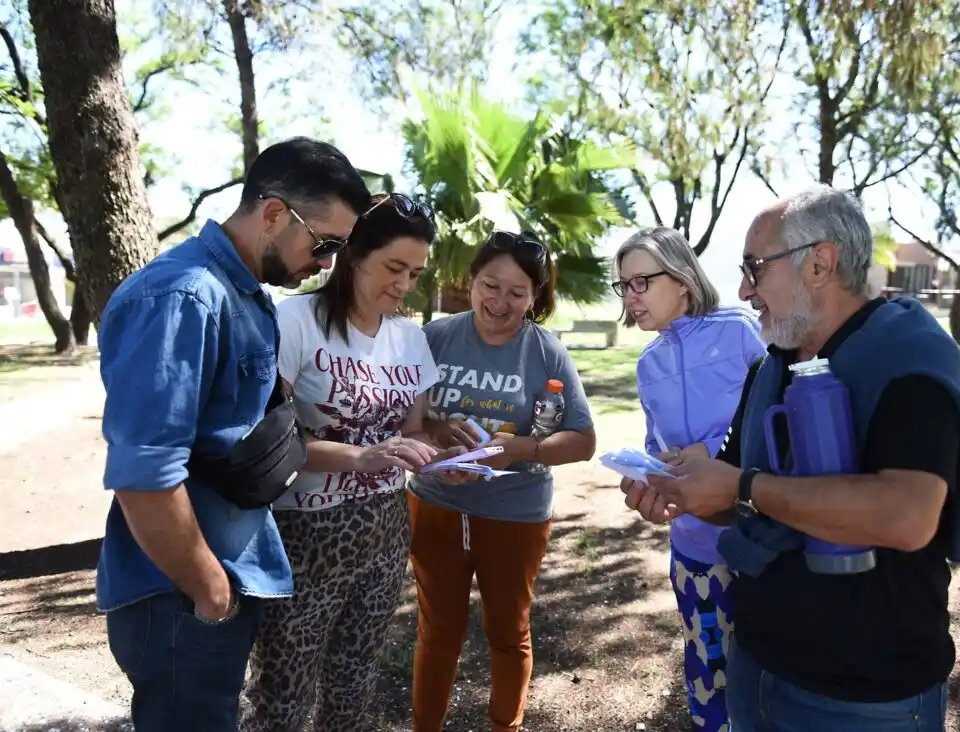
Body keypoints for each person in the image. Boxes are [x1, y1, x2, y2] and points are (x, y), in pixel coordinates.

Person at [622, 185, 960, 731]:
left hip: (866, 696)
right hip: (759, 668)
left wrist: (741, 486)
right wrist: (685, 491)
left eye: (755, 268)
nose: (743, 289)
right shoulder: (772, 368)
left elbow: (907, 516)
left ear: (820, 262)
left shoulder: (909, 354)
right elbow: (734, 499)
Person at [97, 136, 372, 731]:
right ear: (274, 214)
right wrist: (210, 590)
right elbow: (144, 475)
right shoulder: (183, 297)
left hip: (215, 582)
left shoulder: (245, 294)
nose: (327, 264)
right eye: (325, 244)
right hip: (179, 595)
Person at [240, 192, 442, 732]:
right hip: (305, 532)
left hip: (384, 528)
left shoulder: (410, 337)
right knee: (283, 692)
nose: (403, 285)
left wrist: (440, 459)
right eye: (394, 267)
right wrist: (361, 455)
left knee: (354, 682)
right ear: (353, 254)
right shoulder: (296, 320)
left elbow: (413, 430)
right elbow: (270, 440)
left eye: (415, 273)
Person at [407, 230, 598, 732]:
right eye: (490, 285)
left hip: (515, 513)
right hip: (436, 507)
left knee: (509, 634)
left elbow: (582, 439)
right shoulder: (434, 338)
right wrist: (433, 436)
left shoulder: (546, 353)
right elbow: (406, 423)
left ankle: (505, 726)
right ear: (470, 281)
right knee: (437, 632)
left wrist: (522, 450)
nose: (500, 302)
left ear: (535, 297)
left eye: (517, 292)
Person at [612, 227, 765, 732]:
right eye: (623, 286)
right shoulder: (647, 363)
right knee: (709, 678)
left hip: (763, 543)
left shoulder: (741, 329)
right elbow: (659, 450)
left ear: (681, 279)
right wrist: (651, 489)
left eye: (641, 282)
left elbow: (777, 423)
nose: (631, 297)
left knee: (769, 683)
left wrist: (717, 456)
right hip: (695, 551)